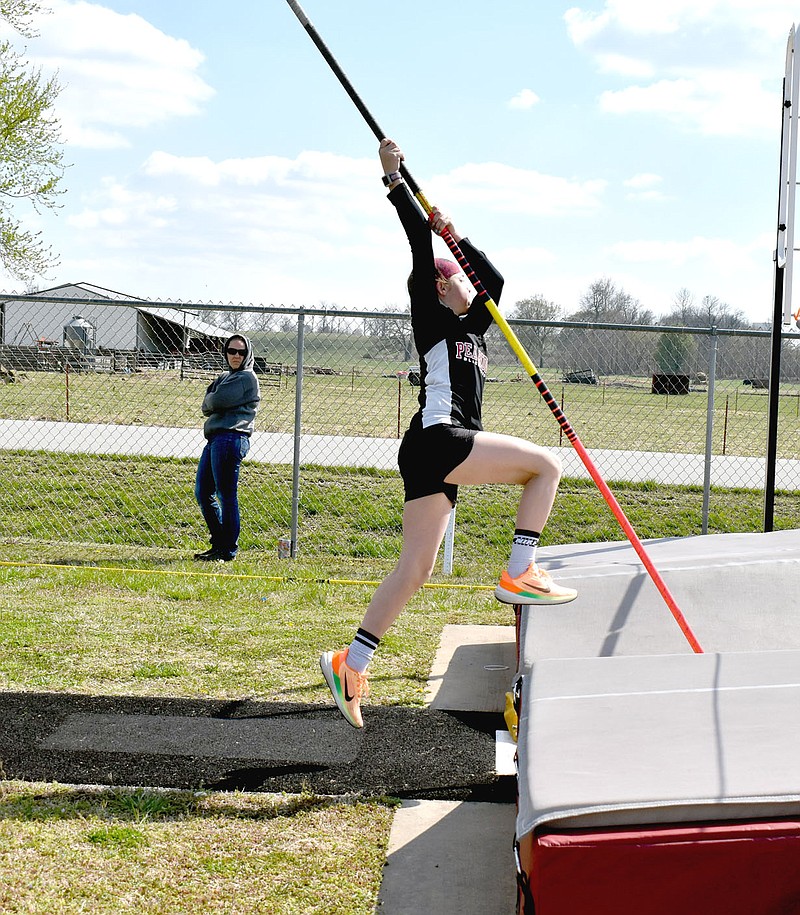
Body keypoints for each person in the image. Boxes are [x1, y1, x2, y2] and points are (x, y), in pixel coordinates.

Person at [320, 139, 577, 728]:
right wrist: (394, 182)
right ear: (441, 288)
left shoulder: (477, 327)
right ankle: (520, 569)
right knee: (547, 466)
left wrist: (459, 236)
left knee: (416, 570)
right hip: (439, 436)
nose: (468, 284)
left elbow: (497, 281)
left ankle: (350, 662)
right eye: (458, 277)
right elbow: (418, 243)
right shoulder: (432, 313)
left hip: (429, 449)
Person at [194, 334, 260, 562]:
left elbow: (214, 402)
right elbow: (207, 405)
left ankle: (228, 548)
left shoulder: (246, 378)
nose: (236, 356)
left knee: (226, 495)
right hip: (215, 439)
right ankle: (219, 543)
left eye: (241, 352)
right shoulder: (226, 376)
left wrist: (213, 397)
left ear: (247, 354)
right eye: (231, 351)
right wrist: (213, 398)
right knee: (203, 492)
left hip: (231, 439)